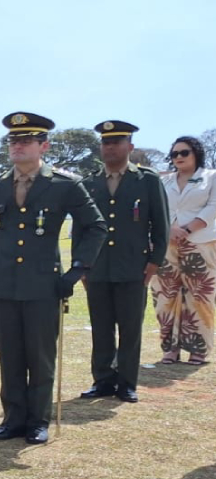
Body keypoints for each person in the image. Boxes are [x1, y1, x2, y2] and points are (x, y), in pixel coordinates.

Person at [0, 112, 106, 445]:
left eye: (25, 140)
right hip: (4, 283)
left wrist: (77, 269)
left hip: (44, 284)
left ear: (43, 145)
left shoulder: (64, 184)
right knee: (11, 355)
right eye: (13, 141)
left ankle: (37, 419)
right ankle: (13, 418)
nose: (17, 146)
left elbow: (95, 226)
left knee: (40, 355)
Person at [80, 121, 168, 401]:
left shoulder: (148, 180)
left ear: (130, 146)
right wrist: (81, 265)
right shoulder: (90, 183)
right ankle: (103, 380)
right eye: (105, 142)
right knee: (101, 326)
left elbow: (161, 226)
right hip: (98, 267)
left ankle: (127, 382)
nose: (110, 147)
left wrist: (155, 262)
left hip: (134, 266)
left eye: (116, 142)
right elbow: (81, 228)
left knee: (130, 328)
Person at [153, 136, 216, 365]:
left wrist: (188, 229)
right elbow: (156, 209)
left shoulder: (211, 177)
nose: (178, 157)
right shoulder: (164, 181)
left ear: (196, 153)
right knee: (165, 295)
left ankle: (198, 349)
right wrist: (169, 230)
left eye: (184, 152)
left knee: (199, 296)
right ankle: (170, 348)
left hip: (200, 241)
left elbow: (213, 207)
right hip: (166, 244)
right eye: (174, 154)